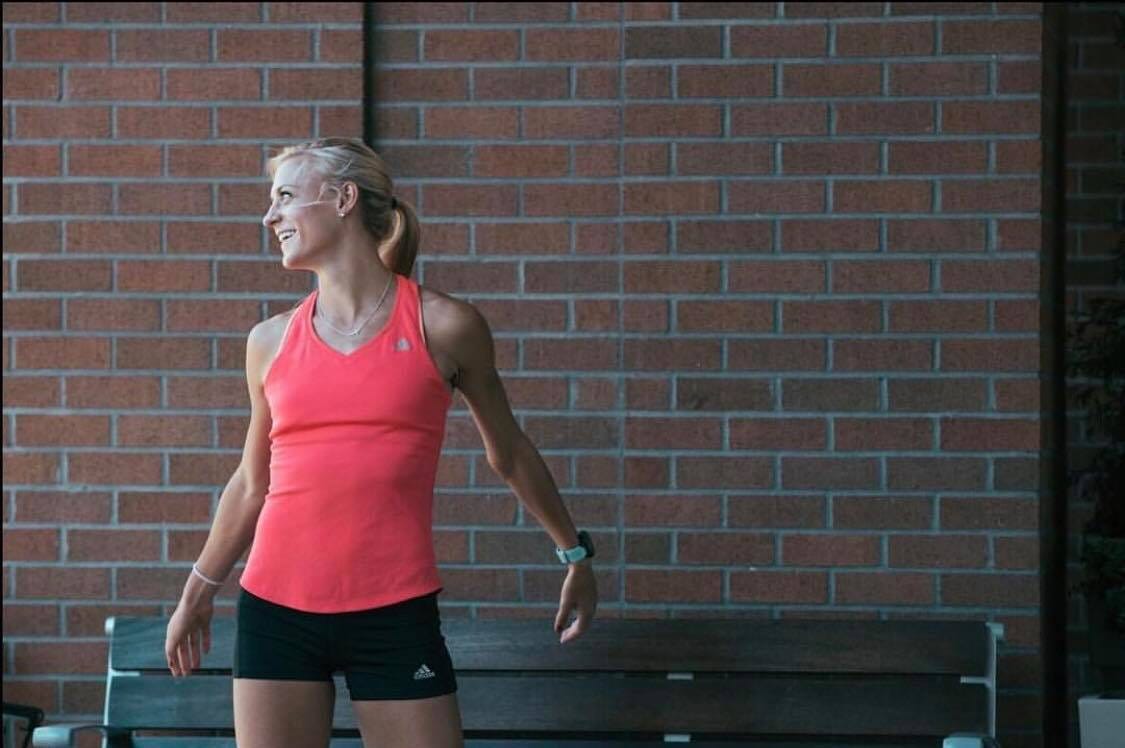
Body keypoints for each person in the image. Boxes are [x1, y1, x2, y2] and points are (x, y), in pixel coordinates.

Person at [163, 137, 598, 748]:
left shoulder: (444, 325)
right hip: (275, 609)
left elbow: (510, 453)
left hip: (394, 610)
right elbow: (252, 483)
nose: (269, 217)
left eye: (285, 197)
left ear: (343, 199)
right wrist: (197, 593)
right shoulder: (269, 341)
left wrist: (574, 554)